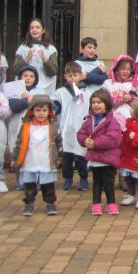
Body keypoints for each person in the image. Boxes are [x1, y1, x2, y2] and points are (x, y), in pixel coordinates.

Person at [76, 89, 122, 216]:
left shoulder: (112, 121)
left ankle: (111, 203)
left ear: (106, 104)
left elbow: (113, 138)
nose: (96, 105)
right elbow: (81, 133)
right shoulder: (89, 120)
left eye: (99, 102)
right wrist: (84, 140)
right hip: (95, 159)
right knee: (96, 182)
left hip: (108, 159)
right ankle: (96, 204)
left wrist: (96, 143)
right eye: (93, 102)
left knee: (108, 182)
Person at [13, 94, 60, 216]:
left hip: (46, 161)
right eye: (37, 110)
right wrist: (15, 157)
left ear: (49, 111)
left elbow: (59, 142)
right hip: (30, 160)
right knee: (29, 185)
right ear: (32, 111)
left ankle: (50, 203)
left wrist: (59, 156)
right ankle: (29, 204)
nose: (41, 113)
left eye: (44, 110)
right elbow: (19, 143)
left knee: (48, 185)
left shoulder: (52, 127)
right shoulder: (26, 127)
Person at [53, 61, 90, 192]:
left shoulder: (86, 91)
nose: (72, 78)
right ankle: (68, 178)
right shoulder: (61, 92)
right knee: (67, 157)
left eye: (75, 75)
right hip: (66, 128)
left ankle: (84, 178)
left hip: (81, 128)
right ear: (65, 76)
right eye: (69, 75)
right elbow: (56, 106)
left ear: (80, 76)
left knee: (81, 156)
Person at [12, 18, 58, 95]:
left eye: (37, 27)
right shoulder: (22, 48)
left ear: (43, 30)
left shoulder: (51, 49)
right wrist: (26, 59)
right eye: (32, 28)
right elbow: (15, 70)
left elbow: (53, 72)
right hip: (26, 87)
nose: (34, 30)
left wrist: (44, 59)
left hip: (44, 87)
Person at [103, 55, 138, 131]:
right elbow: (103, 99)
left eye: (128, 69)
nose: (126, 71)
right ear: (116, 69)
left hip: (128, 117)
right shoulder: (108, 83)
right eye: (123, 69)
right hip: (111, 117)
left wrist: (132, 99)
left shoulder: (133, 84)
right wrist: (120, 99)